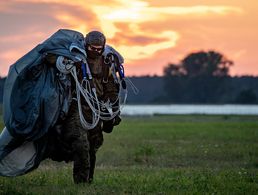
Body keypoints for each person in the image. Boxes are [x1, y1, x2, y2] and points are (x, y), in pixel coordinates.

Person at [44, 30, 122, 184]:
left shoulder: (107, 63)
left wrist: (112, 112)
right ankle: (80, 184)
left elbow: (112, 87)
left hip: (95, 110)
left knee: (93, 146)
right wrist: (68, 61)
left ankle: (88, 181)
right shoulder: (74, 55)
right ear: (86, 46)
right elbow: (50, 58)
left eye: (99, 49)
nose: (96, 51)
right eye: (92, 48)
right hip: (75, 108)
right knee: (81, 144)